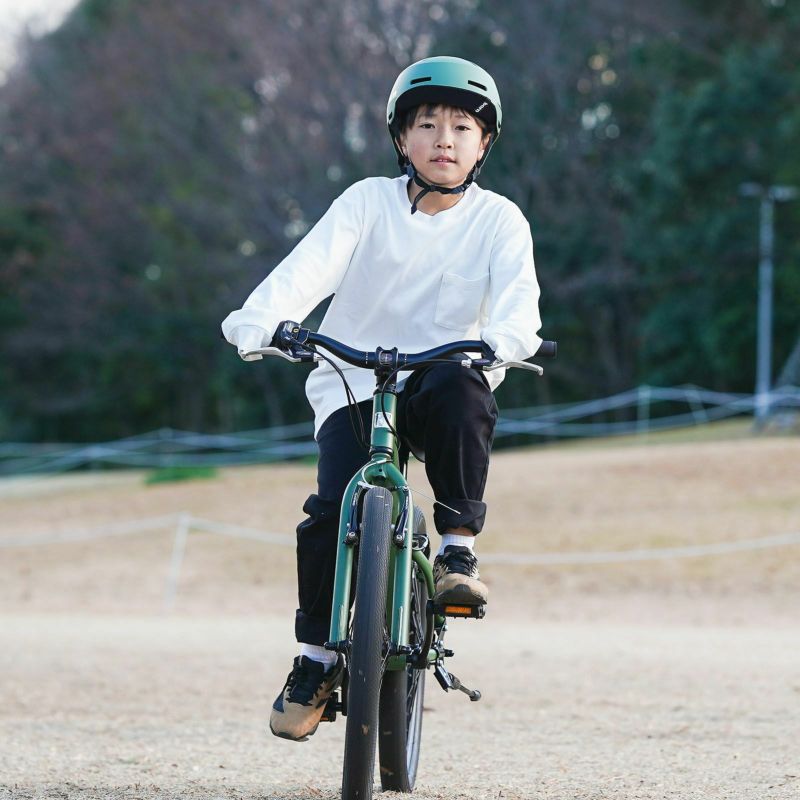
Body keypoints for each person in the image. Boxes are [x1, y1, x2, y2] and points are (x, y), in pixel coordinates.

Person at [221, 55, 542, 741]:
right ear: (402, 139)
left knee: (464, 386)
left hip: (443, 375)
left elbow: (519, 301)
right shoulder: (365, 203)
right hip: (350, 376)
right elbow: (303, 272)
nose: (444, 139)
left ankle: (456, 552)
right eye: (426, 124)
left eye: (463, 126)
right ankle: (314, 659)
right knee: (331, 510)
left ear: (485, 144)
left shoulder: (500, 221)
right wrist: (263, 322)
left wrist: (507, 340)